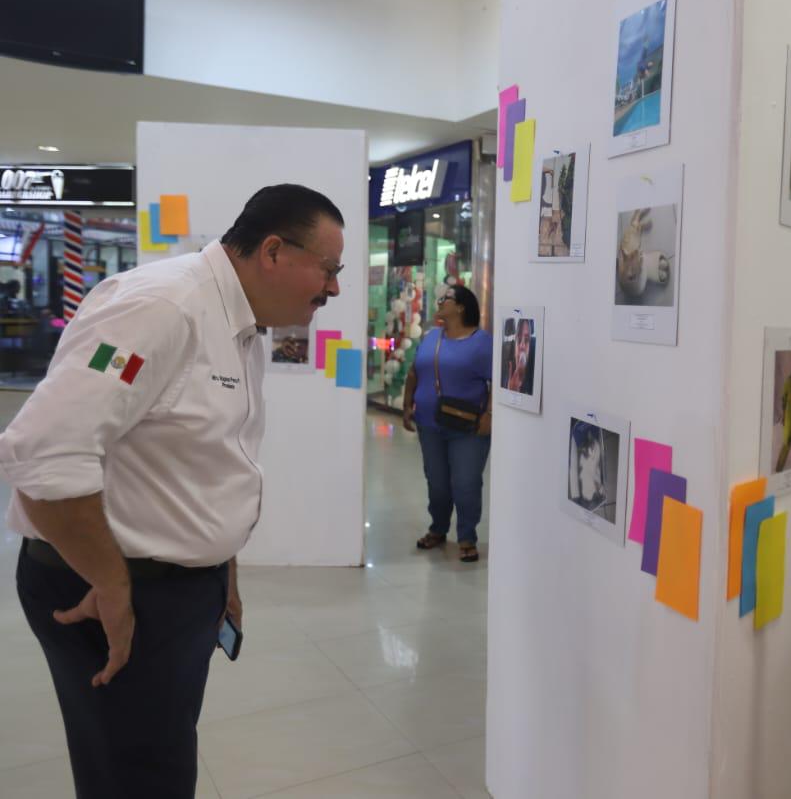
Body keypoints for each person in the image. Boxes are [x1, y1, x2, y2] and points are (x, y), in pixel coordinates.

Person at [0, 183, 344, 798]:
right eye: (329, 269)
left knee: (156, 756)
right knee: (137, 776)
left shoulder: (240, 323)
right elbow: (44, 451)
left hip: (171, 589)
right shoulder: (163, 309)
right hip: (112, 587)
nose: (334, 288)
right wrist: (111, 584)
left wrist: (221, 567)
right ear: (272, 251)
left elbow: (204, 458)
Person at [403, 285, 492, 563]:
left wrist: (488, 416)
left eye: (446, 299)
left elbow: (498, 384)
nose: (439, 302)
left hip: (468, 428)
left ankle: (467, 537)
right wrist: (407, 406)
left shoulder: (482, 342)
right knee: (437, 482)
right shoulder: (431, 338)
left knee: (466, 482)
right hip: (429, 424)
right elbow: (414, 373)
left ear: (462, 306)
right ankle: (438, 529)